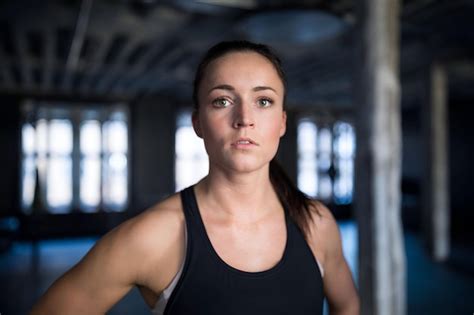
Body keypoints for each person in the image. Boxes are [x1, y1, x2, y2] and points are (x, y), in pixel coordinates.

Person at [30, 40, 359, 315]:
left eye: (263, 101)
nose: (244, 119)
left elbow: (347, 306)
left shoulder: (316, 224)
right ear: (198, 123)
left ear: (282, 122)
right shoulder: (155, 236)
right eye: (222, 101)